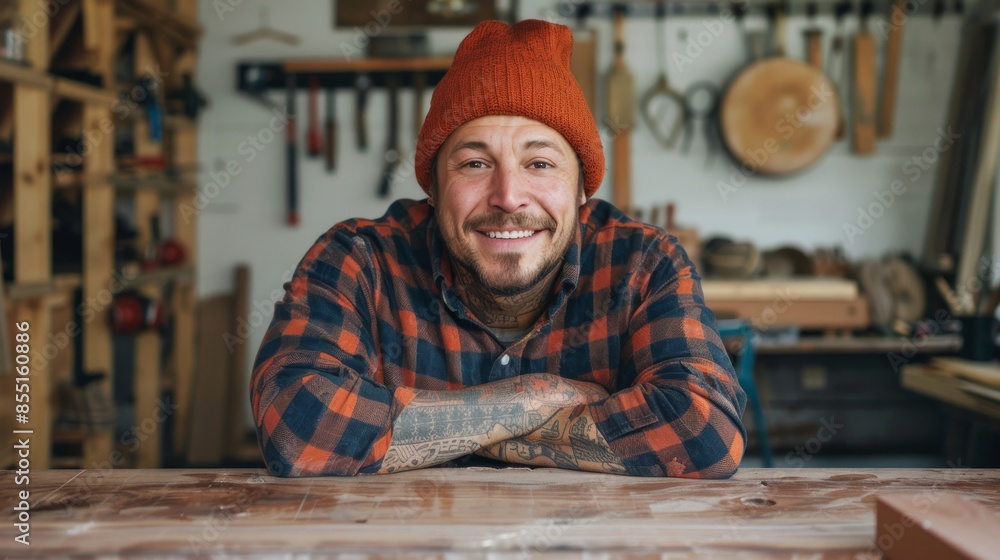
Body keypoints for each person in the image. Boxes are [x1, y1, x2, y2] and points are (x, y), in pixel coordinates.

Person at [250, 19, 746, 478]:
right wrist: (536, 400)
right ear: (434, 188)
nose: (508, 197)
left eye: (541, 164)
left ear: (581, 190)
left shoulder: (644, 263)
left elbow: (704, 433)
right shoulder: (359, 258)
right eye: (474, 164)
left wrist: (445, 432)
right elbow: (295, 424)